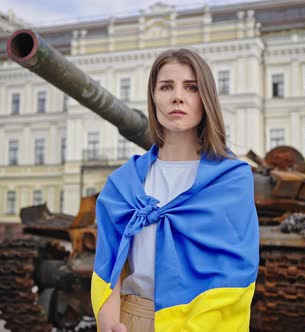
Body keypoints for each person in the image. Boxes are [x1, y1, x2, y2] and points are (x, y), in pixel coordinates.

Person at [91, 48, 259, 332]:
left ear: (205, 98)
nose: (177, 96)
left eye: (191, 87)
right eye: (166, 86)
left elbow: (235, 270)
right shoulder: (123, 183)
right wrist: (108, 320)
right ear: (153, 97)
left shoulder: (231, 179)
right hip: (130, 320)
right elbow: (108, 259)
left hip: (206, 323)